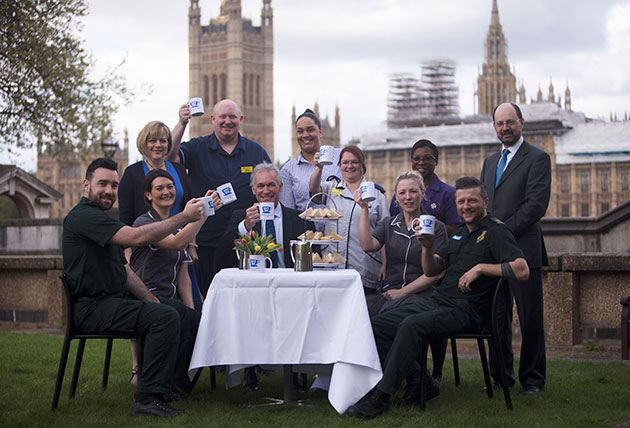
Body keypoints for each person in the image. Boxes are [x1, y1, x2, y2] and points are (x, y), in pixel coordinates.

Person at [346, 177, 530, 420]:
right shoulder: (461, 233)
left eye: (472, 201)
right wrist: (427, 248)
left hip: (469, 310)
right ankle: (420, 381)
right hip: (441, 303)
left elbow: (522, 270)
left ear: (485, 202)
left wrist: (481, 268)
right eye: (461, 201)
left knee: (411, 325)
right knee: (375, 326)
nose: (466, 206)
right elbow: (433, 270)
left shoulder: (496, 231)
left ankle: (382, 395)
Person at [62, 157, 206, 417]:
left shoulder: (102, 219)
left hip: (113, 301)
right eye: (102, 184)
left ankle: (168, 386)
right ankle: (147, 399)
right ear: (86, 185)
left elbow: (126, 273)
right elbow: (137, 237)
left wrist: (152, 300)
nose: (109, 191)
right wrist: (185, 216)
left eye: (114, 186)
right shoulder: (84, 216)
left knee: (182, 313)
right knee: (164, 317)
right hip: (92, 308)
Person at [128, 169, 222, 393]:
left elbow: (183, 277)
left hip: (171, 300)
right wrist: (204, 213)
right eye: (159, 188)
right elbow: (177, 243)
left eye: (170, 187)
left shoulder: (175, 223)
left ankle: (179, 382)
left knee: (200, 322)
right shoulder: (144, 222)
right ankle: (172, 383)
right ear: (148, 195)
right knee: (183, 318)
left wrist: (191, 310)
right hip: (146, 296)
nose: (166, 192)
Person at [480, 102, 551, 395]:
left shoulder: (537, 158)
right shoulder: (488, 162)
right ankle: (501, 377)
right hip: (494, 255)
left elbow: (535, 205)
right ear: (494, 127)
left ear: (521, 123)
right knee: (497, 319)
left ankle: (533, 379)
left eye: (510, 122)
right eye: (500, 123)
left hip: (524, 250)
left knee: (530, 318)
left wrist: (501, 234)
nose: (505, 128)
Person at [168, 99, 271, 296]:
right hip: (206, 242)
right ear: (212, 119)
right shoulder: (197, 147)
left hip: (246, 243)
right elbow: (170, 156)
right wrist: (182, 123)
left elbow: (270, 188)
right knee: (208, 299)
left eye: (232, 117)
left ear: (240, 120)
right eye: (222, 117)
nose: (227, 121)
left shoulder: (256, 151)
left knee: (247, 298)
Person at [357, 170, 448, 383]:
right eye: (402, 192)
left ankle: (411, 378)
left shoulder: (436, 227)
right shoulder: (390, 224)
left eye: (413, 191)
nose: (408, 197)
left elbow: (436, 274)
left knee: (387, 317)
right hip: (390, 292)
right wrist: (363, 209)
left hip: (423, 294)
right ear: (396, 197)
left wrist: (402, 292)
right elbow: (367, 244)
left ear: (422, 194)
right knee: (359, 313)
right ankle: (373, 375)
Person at [309, 145, 388, 293]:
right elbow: (313, 189)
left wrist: (385, 263)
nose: (349, 166)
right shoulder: (331, 187)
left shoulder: (377, 194)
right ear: (339, 166)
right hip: (333, 265)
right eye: (345, 162)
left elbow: (385, 232)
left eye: (354, 162)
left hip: (364, 266)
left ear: (362, 166)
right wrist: (318, 167)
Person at [217, 162, 315, 270]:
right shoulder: (241, 217)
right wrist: (245, 226)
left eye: (271, 185)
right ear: (253, 190)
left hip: (288, 282)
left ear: (280, 187)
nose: (266, 191)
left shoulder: (300, 220)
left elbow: (312, 259)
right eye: (260, 186)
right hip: (254, 282)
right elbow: (222, 254)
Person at [389, 139, 460, 235]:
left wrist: (429, 228)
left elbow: (456, 228)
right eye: (417, 159)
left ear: (436, 161)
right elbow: (392, 225)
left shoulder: (449, 193)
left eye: (427, 158)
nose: (421, 162)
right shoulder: (400, 194)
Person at [279, 108, 342, 211]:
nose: (305, 135)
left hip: (340, 225)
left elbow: (352, 188)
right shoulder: (287, 170)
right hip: (305, 226)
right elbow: (288, 211)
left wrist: (335, 191)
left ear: (321, 132)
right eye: (300, 131)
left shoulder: (340, 157)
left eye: (310, 130)